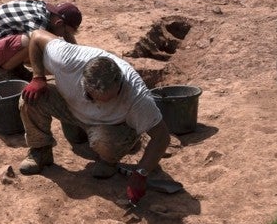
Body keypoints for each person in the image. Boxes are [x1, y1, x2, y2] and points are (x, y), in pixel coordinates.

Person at [17, 30, 171, 204]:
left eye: (108, 100)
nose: (99, 103)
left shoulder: (137, 97)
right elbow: (36, 37)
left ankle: (108, 160)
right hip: (72, 108)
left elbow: (161, 137)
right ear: (83, 80)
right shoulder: (68, 60)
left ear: (120, 85)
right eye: (91, 96)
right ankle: (40, 150)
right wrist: (38, 77)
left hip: (111, 125)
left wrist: (141, 173)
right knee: (30, 99)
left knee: (102, 142)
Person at [0, 0, 82, 81]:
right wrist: (65, 70)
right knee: (33, 41)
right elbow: (41, 55)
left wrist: (77, 58)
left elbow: (68, 35)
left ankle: (16, 66)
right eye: (65, 32)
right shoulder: (39, 22)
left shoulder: (45, 9)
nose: (64, 35)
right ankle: (7, 68)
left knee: (35, 40)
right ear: (59, 23)